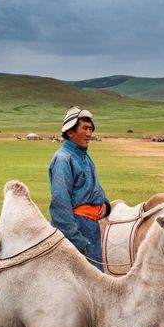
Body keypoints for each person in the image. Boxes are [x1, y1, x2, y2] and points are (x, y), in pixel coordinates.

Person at [48, 106, 110, 271]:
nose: (89, 134)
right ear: (70, 132)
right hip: (77, 230)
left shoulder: (84, 157)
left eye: (91, 129)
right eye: (85, 128)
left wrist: (105, 203)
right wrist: (76, 240)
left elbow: (94, 187)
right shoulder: (63, 159)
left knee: (96, 280)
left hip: (91, 227)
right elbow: (60, 204)